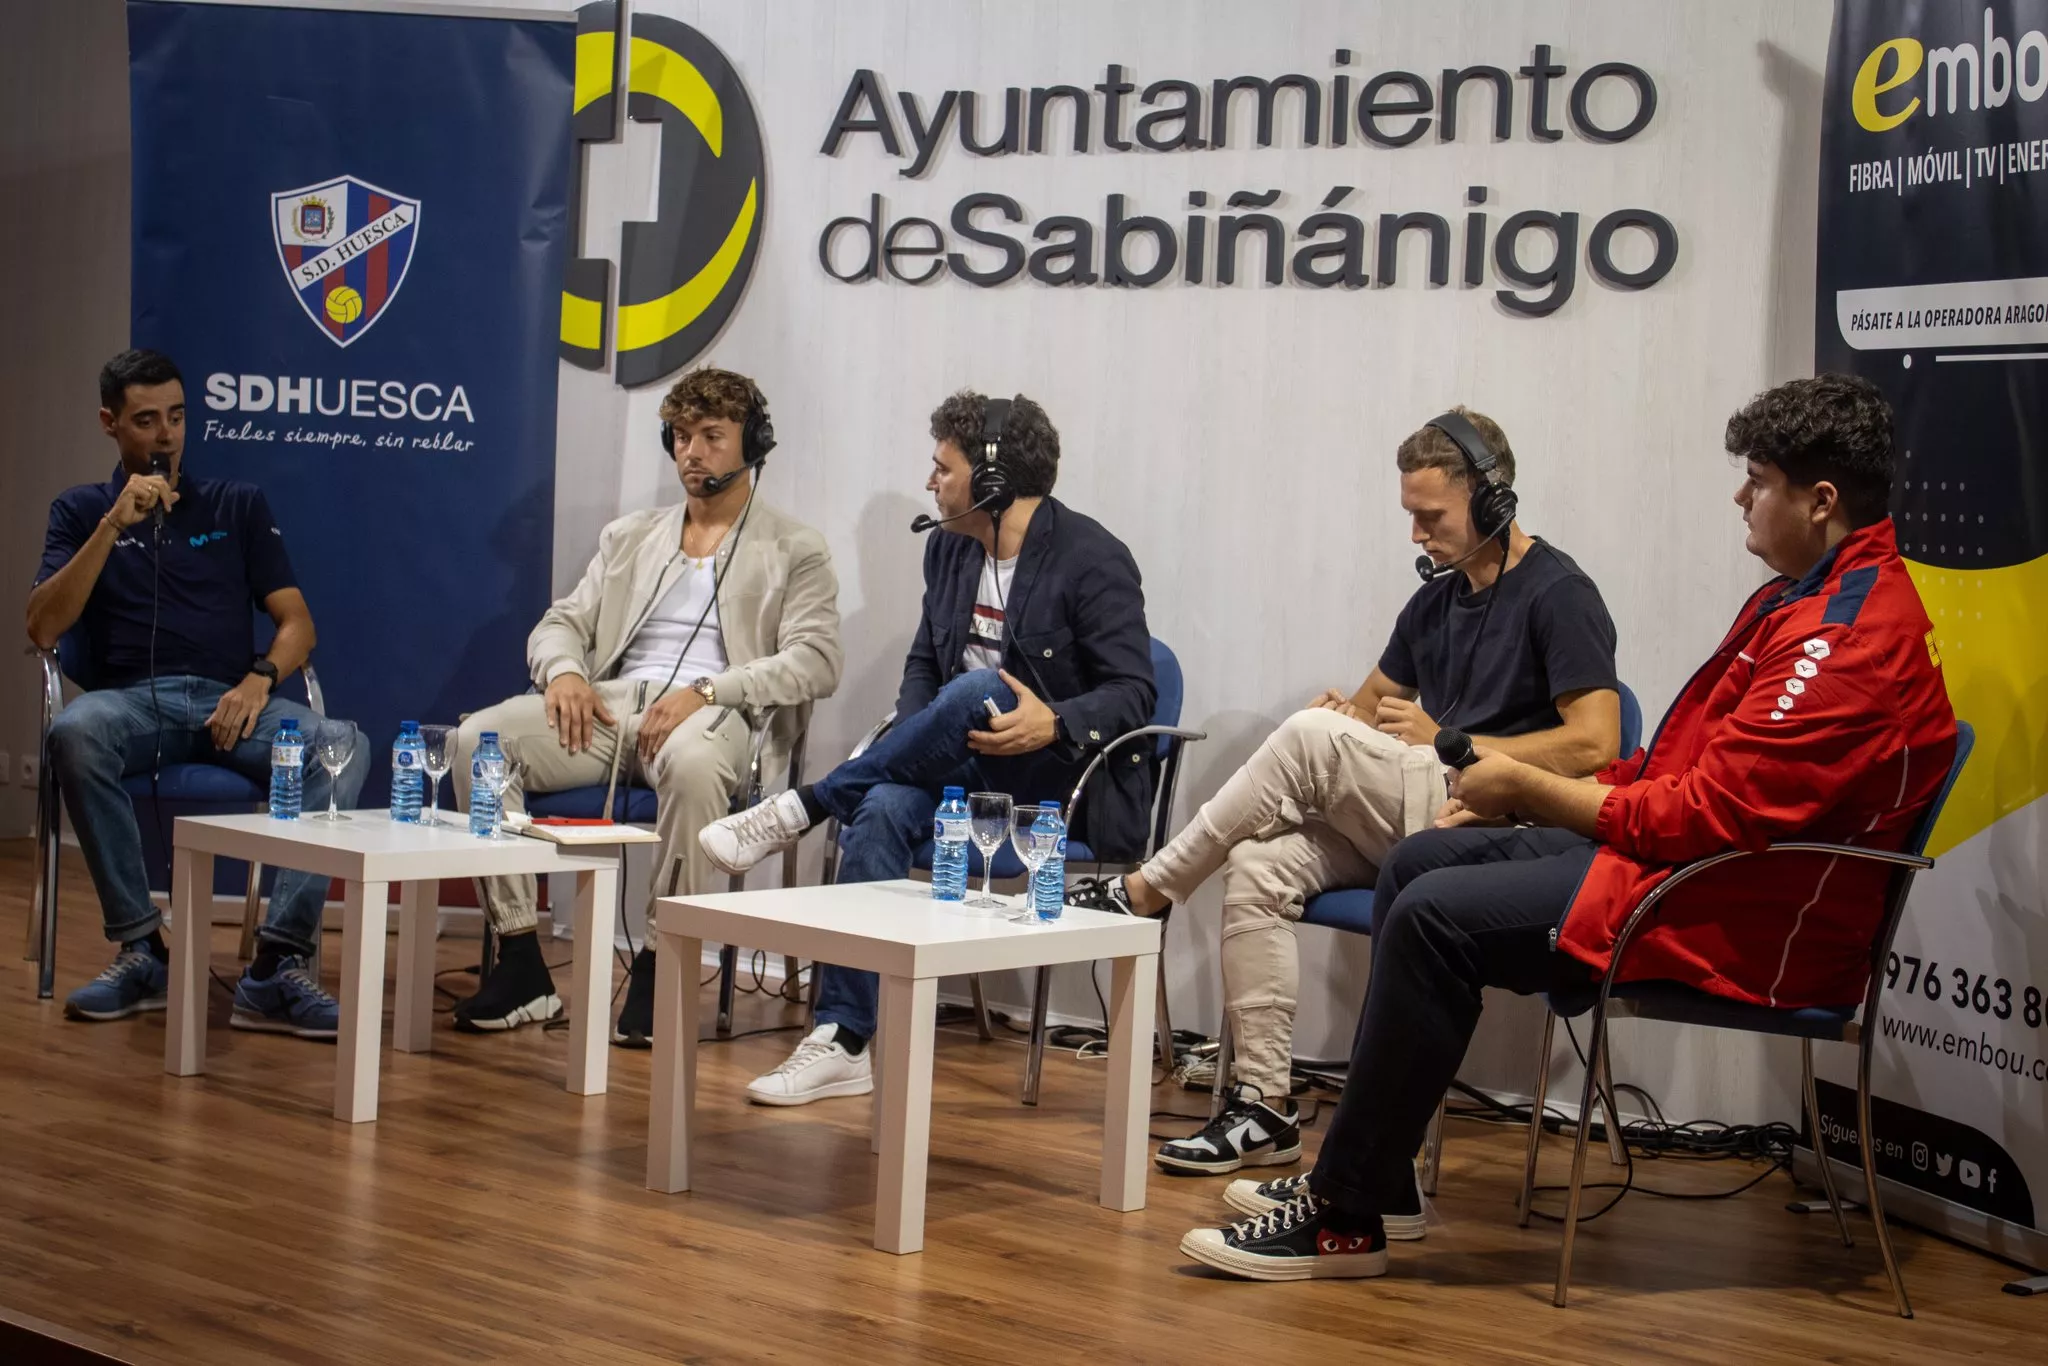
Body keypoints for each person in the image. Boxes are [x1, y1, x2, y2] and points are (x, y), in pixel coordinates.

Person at [1175, 374, 1958, 1281]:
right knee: (1424, 859)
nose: (1740, 497)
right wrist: (1523, 788)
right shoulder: (1799, 596)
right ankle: (1383, 1176)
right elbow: (1679, 771)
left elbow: (1705, 814)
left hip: (1731, 910)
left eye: (1759, 480)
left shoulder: (1845, 638)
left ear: (1821, 501)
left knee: (1433, 917)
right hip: (1685, 861)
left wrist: (1526, 787)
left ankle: (1345, 1212)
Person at [1070, 408, 1620, 1185]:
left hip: (1507, 819)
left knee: (1303, 738)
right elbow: (1366, 710)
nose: (1417, 535)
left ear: (1493, 497)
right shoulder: (1434, 603)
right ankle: (1264, 1104)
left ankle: (1150, 889)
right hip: (1422, 812)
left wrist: (1445, 741)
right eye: (1410, 517)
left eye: (1431, 517)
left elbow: (1597, 743)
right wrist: (1347, 718)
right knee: (1260, 863)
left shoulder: (1560, 593)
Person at [699, 389, 1156, 1105]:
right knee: (881, 806)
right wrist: (913, 740)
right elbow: (923, 665)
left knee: (980, 692)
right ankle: (845, 1039)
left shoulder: (1092, 559)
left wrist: (1055, 722)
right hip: (960, 761)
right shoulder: (947, 549)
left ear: (995, 480)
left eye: (943, 468)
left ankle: (809, 802)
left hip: (1050, 784)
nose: (930, 482)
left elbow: (1135, 692)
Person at [448, 367, 841, 1045]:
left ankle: (665, 966)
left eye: (712, 437)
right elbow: (559, 623)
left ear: (755, 445)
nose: (692, 452)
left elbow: (817, 661)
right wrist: (566, 673)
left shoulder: (794, 548)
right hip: (612, 707)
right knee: (476, 743)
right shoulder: (629, 537)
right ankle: (519, 964)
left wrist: (711, 689)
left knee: (690, 768)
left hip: (716, 714)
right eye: (682, 436)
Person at [28, 348, 369, 1036]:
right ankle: (142, 950)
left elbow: (297, 623)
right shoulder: (81, 510)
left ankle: (276, 965)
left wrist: (258, 679)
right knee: (73, 731)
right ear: (111, 424)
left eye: (177, 418)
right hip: (131, 705)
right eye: (147, 420)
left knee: (341, 744)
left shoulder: (235, 505)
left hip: (230, 702)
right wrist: (112, 526)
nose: (166, 435)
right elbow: (42, 626)